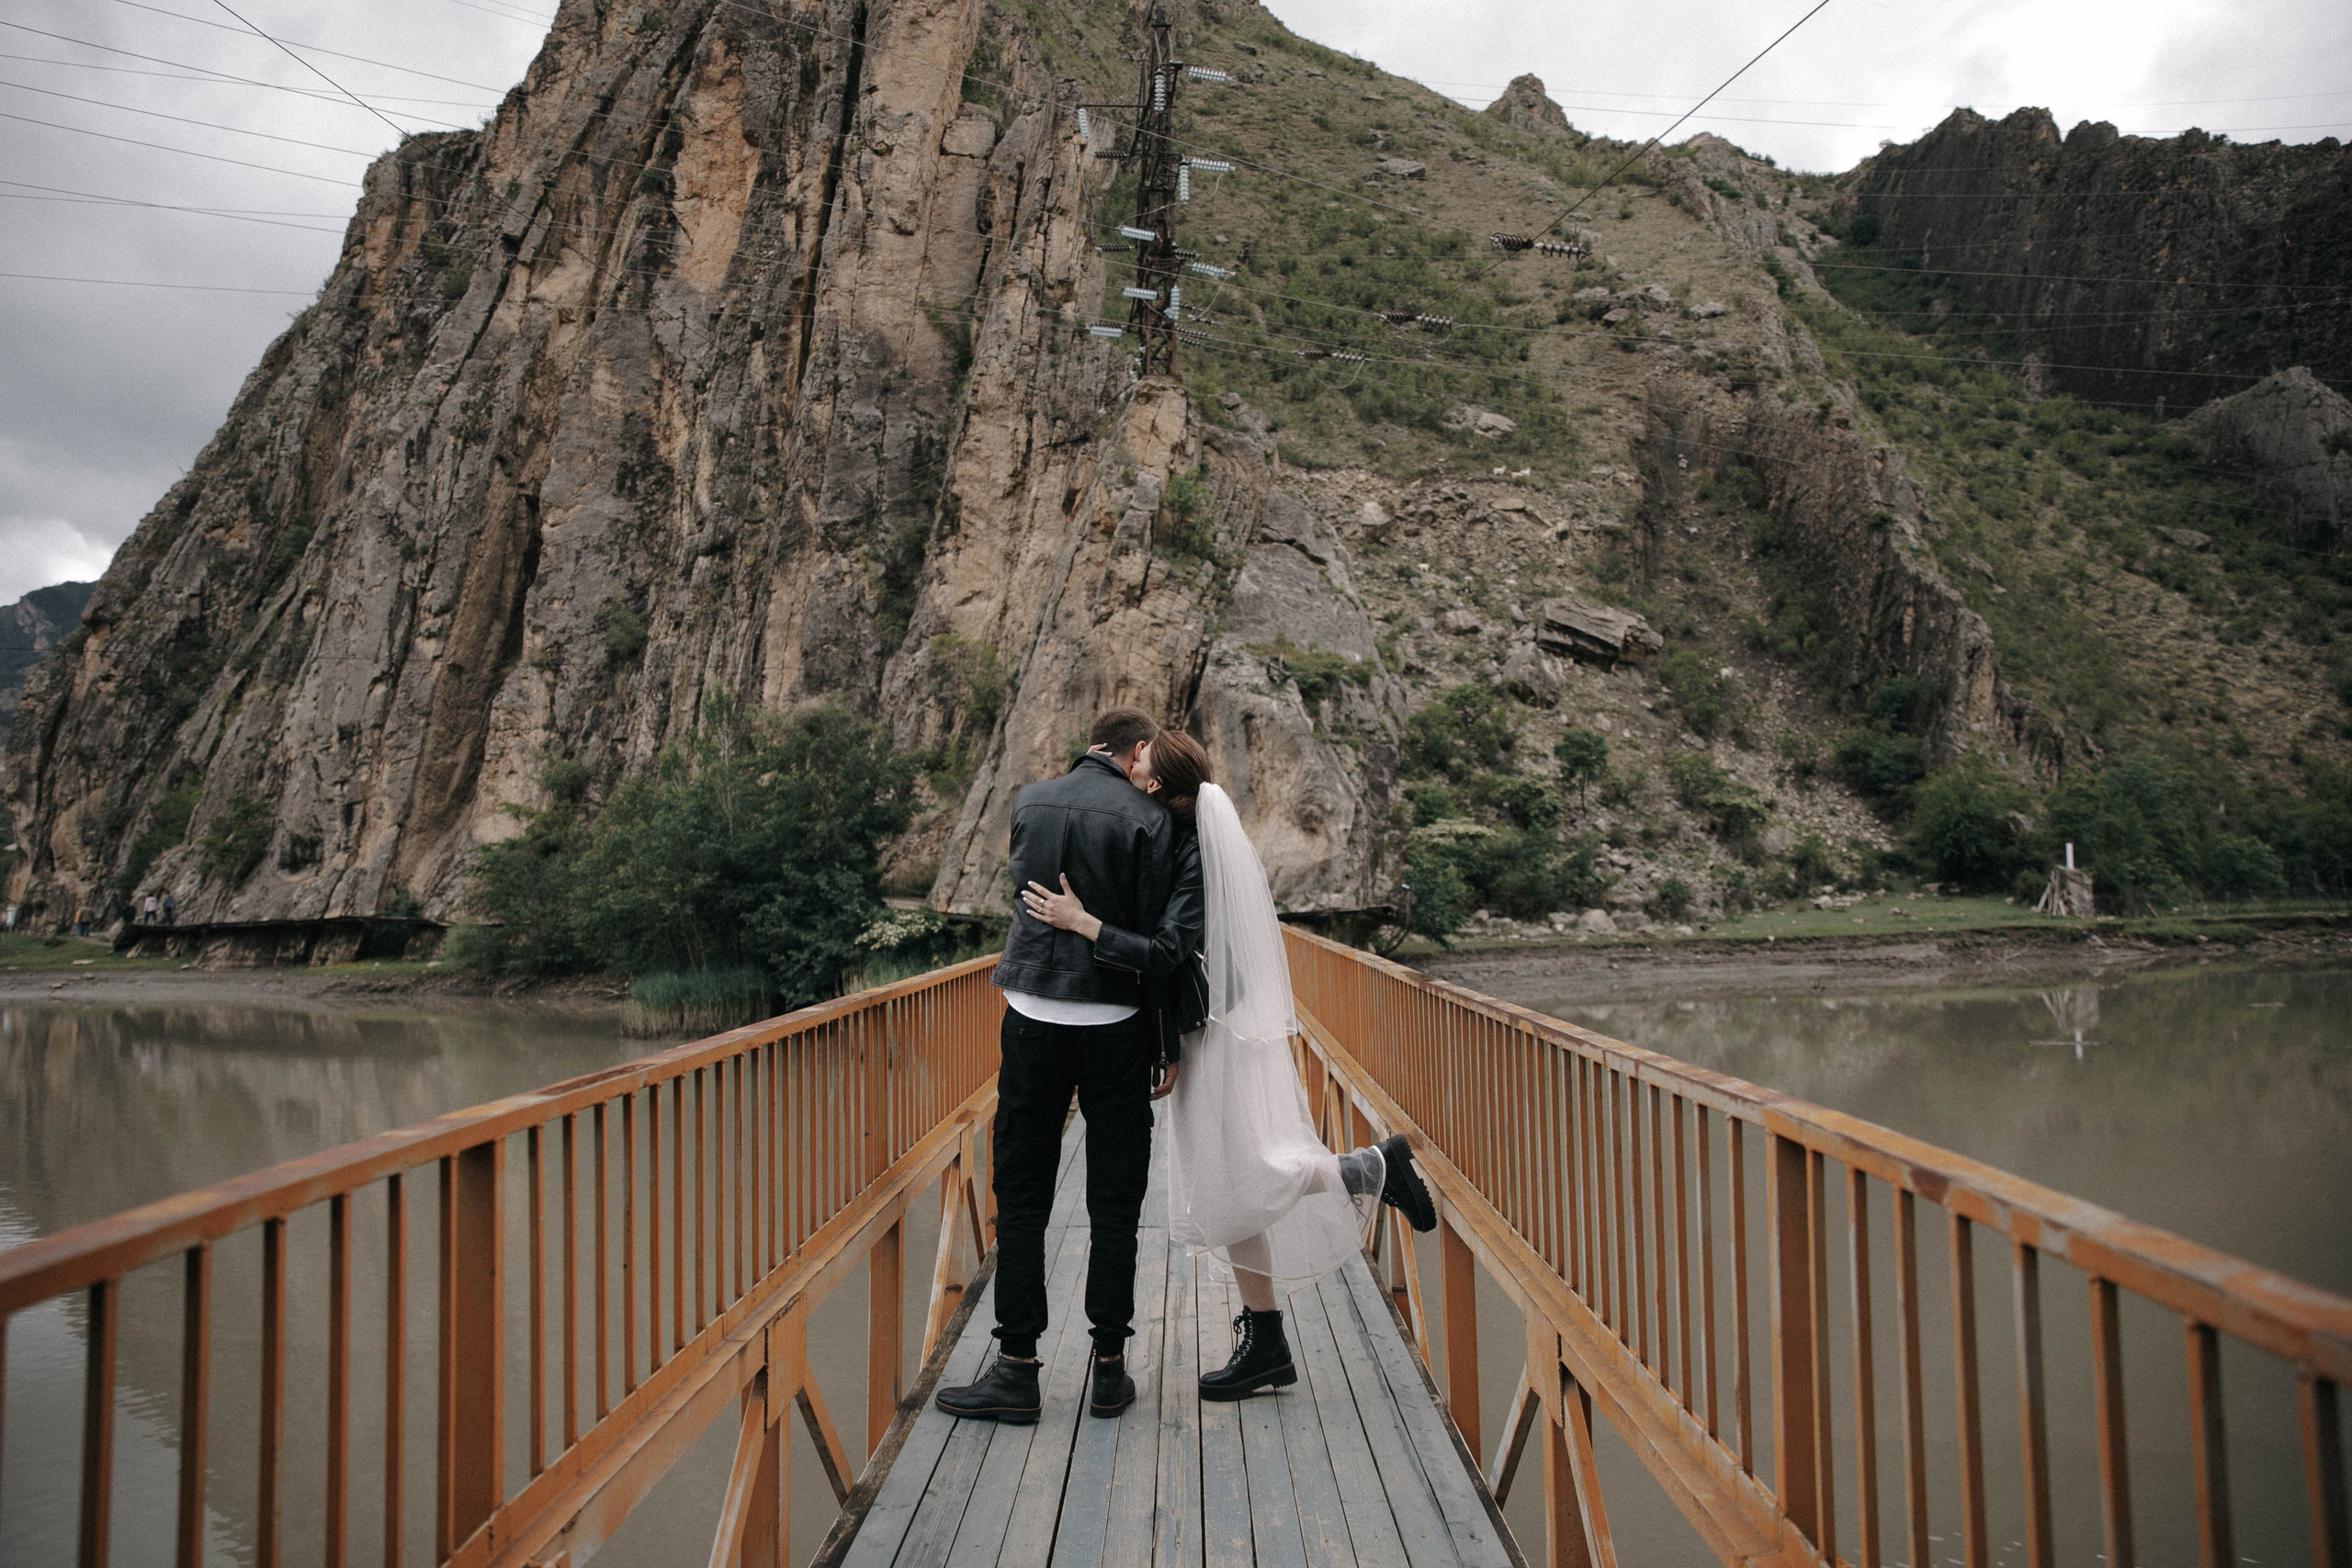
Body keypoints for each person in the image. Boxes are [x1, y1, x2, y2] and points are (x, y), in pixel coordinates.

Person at [1021, 731, 1437, 1403]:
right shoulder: (1190, 833)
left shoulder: (1188, 849)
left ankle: (1372, 1169)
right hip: (1208, 1026)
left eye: (1140, 761)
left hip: (1215, 1030)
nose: (1132, 765)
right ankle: (1265, 1337)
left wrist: (1083, 922)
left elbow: (1164, 950)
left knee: (1240, 1171)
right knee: (1230, 1176)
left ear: (1154, 784)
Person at [935, 707, 1200, 1427]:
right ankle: (1109, 1369)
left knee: (1022, 1194)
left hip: (1031, 1016)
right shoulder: (1155, 823)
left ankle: (1016, 1366)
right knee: (1114, 1202)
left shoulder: (1028, 800)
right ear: (1137, 750)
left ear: (1091, 746)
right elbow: (1156, 940)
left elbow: (1024, 894)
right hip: (1115, 1023)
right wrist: (1165, 1038)